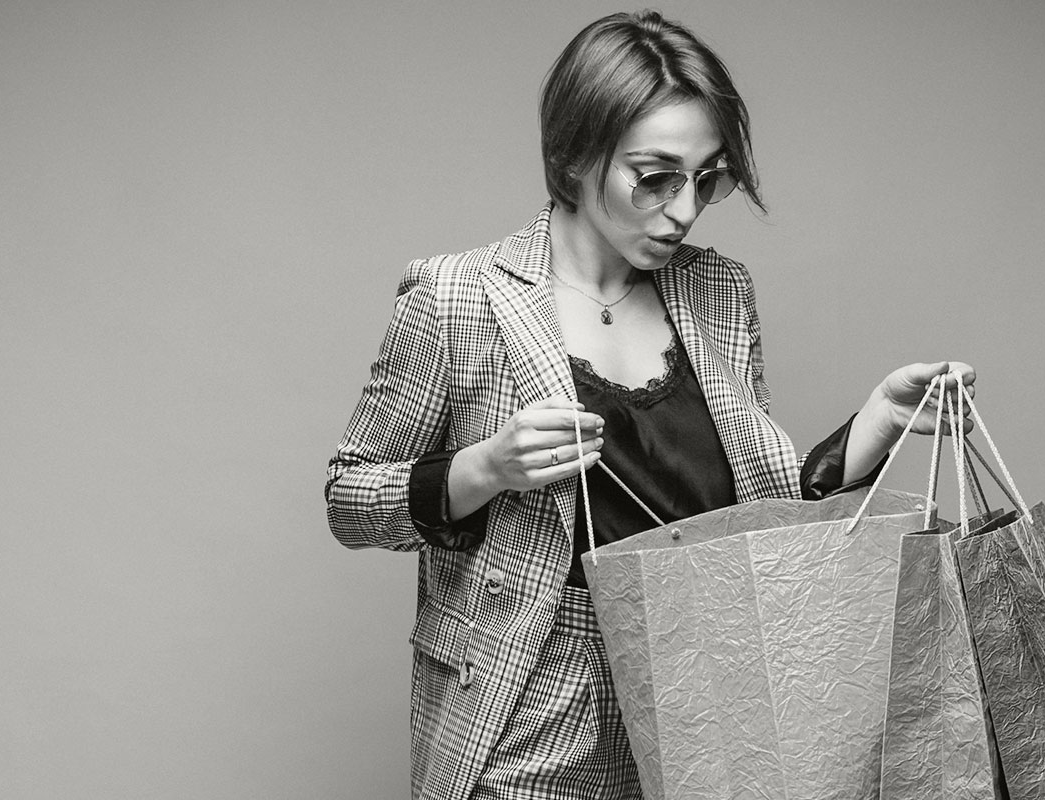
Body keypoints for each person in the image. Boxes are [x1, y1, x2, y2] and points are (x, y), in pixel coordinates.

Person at [325, 10, 973, 800]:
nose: (684, 209)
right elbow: (349, 500)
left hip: (709, 688)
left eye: (710, 179)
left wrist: (877, 420)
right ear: (572, 157)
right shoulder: (457, 296)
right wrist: (483, 468)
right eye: (656, 175)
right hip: (531, 703)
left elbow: (749, 521)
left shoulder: (720, 291)